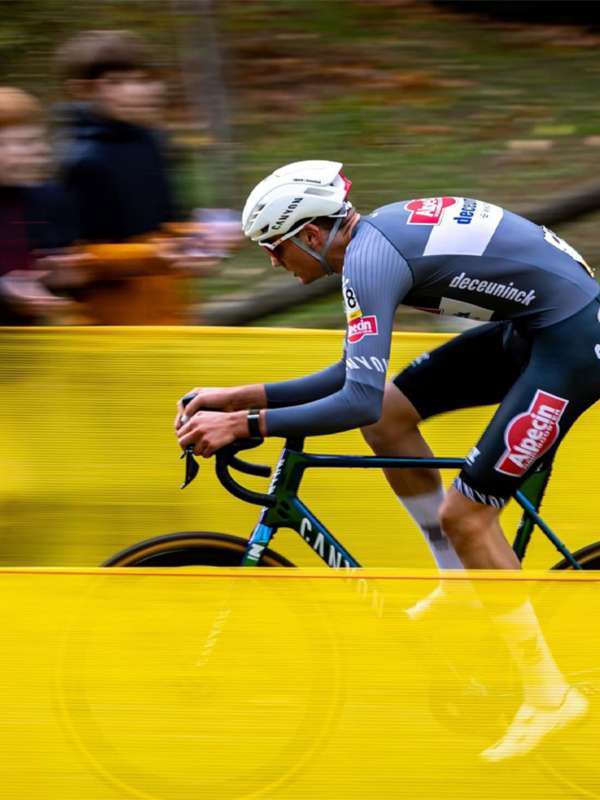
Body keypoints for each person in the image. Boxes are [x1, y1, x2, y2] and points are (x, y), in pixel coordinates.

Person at [175, 159, 597, 758]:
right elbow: (359, 381)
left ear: (312, 236)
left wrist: (245, 424)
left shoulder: (370, 259)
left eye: (275, 248)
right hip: (538, 327)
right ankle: (458, 576)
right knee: (391, 416)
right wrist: (243, 397)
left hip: (574, 345)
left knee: (466, 514)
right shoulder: (370, 244)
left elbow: (353, 398)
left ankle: (549, 694)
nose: (273, 262)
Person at [54, 30, 228, 325]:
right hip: (112, 323)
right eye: (116, 83)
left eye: (141, 80)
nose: (135, 91)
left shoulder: (154, 144)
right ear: (82, 90)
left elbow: (165, 225)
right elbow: (75, 258)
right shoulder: (80, 161)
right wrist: (152, 253)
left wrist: (201, 239)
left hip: (170, 311)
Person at [0, 87, 84, 325]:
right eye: (25, 142)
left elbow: (56, 261)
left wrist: (61, 271)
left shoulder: (47, 198)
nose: (42, 150)